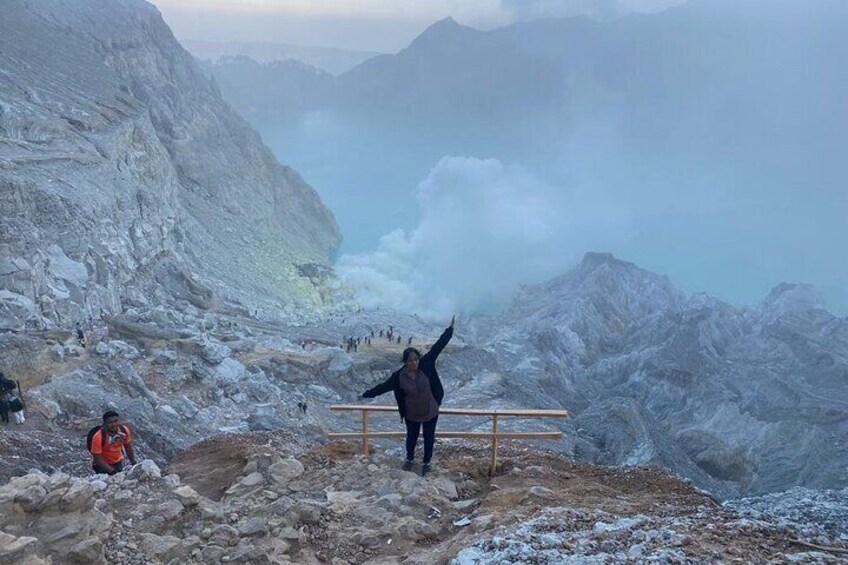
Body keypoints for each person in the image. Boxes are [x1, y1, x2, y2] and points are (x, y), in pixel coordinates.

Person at [361, 316, 455, 477]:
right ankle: (409, 459)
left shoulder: (426, 364)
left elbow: (438, 347)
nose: (414, 363)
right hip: (412, 413)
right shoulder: (399, 377)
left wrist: (450, 330)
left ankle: (426, 463)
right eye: (410, 361)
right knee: (411, 438)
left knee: (428, 438)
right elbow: (383, 387)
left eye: (416, 360)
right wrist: (366, 394)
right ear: (405, 362)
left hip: (430, 410)